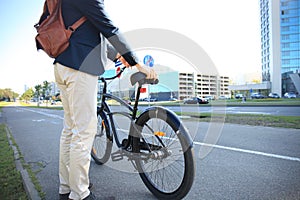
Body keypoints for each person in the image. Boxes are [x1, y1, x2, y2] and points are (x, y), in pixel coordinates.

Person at [45, 0, 157, 199]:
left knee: (70, 131)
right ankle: (80, 193)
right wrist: (135, 62)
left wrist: (117, 57)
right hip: (80, 66)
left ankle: (67, 187)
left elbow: (88, 30)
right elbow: (107, 25)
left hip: (63, 64)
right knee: (83, 131)